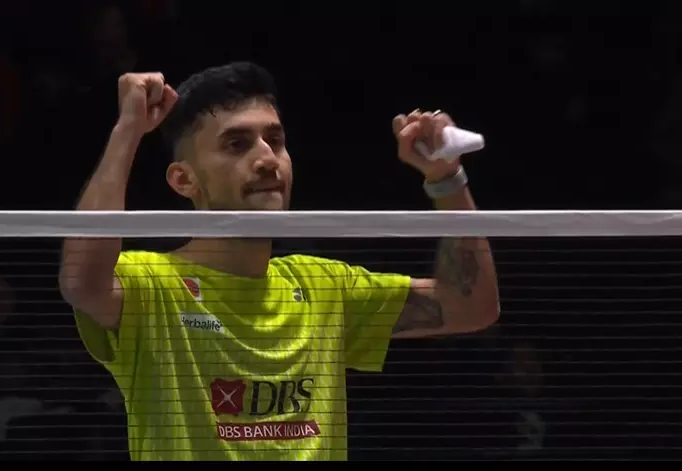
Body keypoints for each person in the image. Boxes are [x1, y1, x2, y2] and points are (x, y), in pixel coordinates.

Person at [59, 62, 500, 461]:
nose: (267, 159)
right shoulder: (152, 286)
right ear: (184, 180)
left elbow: (470, 306)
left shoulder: (324, 289)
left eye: (275, 140)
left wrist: (446, 177)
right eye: (237, 144)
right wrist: (128, 130)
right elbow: (82, 281)